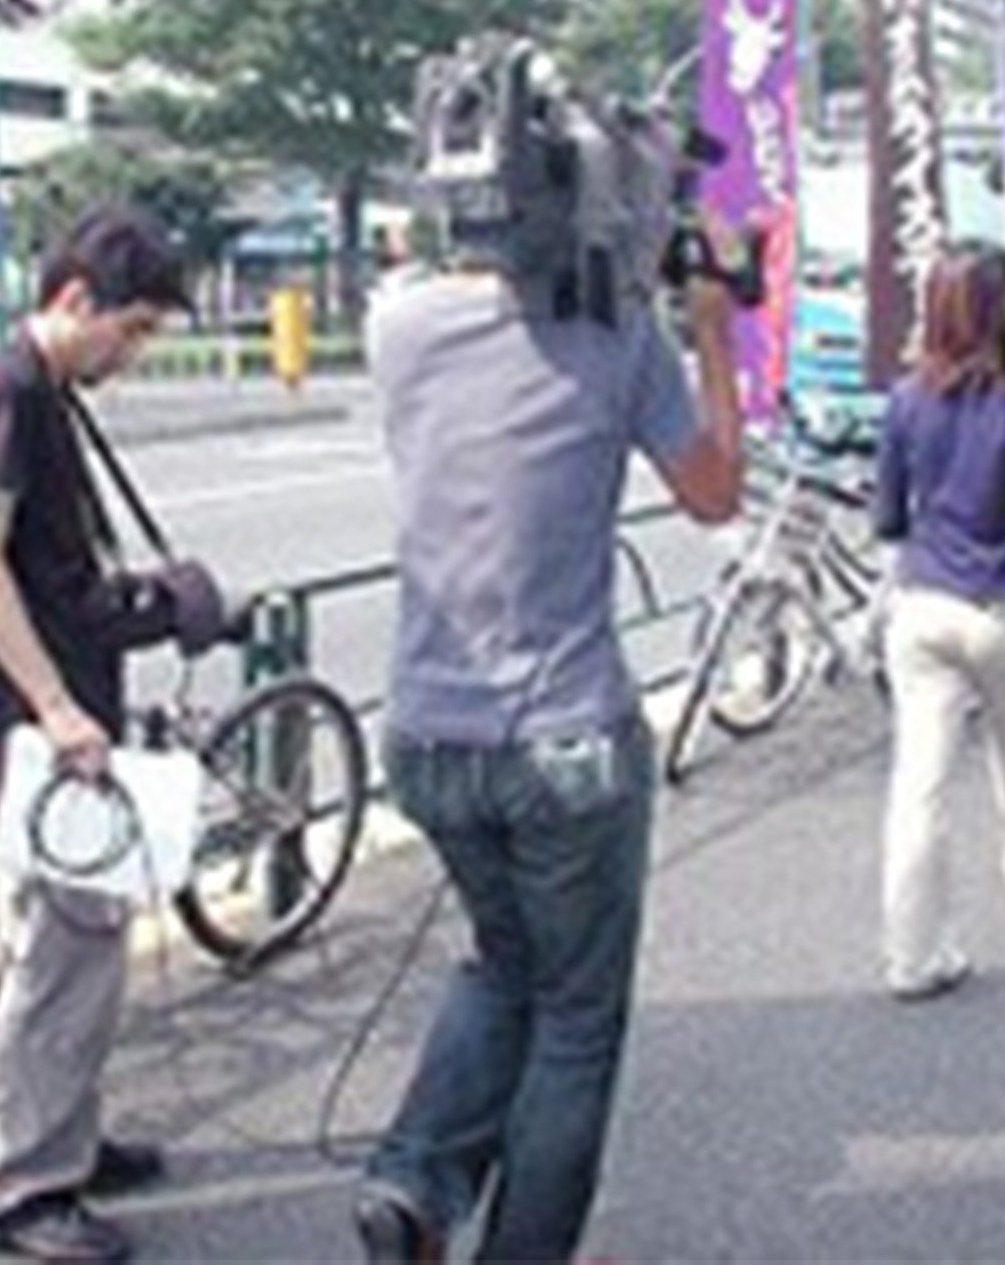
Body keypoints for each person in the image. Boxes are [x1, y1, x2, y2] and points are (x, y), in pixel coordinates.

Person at [354, 233, 746, 1259]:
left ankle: (412, 1184)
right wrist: (708, 331)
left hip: (425, 736)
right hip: (565, 740)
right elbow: (714, 494)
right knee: (574, 1018)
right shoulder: (616, 332)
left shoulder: (395, 322)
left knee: (502, 960)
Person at [0, 204, 217, 1262]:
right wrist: (56, 708)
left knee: (71, 949)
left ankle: (65, 1140)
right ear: (74, 301)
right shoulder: (12, 393)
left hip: (53, 716)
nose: (135, 354)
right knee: (61, 956)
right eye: (134, 330)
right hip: (40, 725)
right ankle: (18, 1193)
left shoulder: (42, 391)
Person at [873, 240, 1005, 1003]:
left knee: (918, 790)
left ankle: (911, 957)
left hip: (924, 609)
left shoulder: (905, 401)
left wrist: (893, 598)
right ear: (1004, 311)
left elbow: (889, 521)